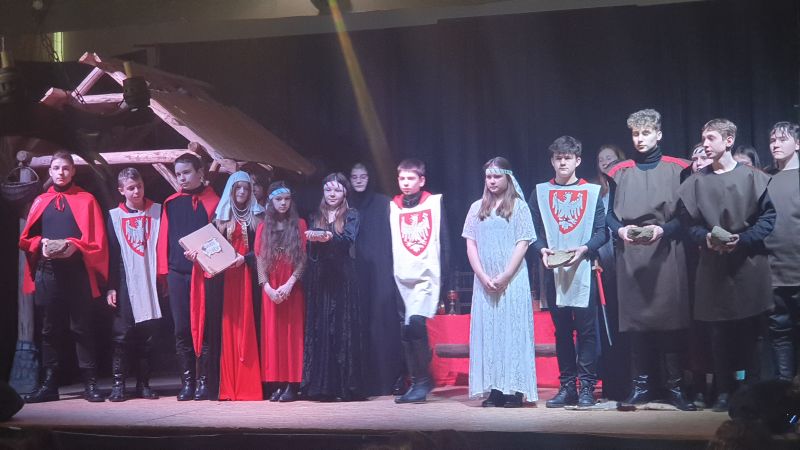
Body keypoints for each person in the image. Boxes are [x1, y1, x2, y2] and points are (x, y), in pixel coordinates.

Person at [677, 118, 775, 412]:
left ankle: (751, 390)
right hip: (713, 265)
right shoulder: (696, 182)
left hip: (748, 263)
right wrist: (706, 238)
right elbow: (688, 223)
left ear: (729, 140)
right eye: (703, 138)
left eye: (711, 138)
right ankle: (723, 390)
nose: (705, 144)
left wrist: (743, 239)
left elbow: (768, 218)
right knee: (718, 332)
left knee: (750, 331)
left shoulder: (753, 177)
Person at [606, 109, 695, 411]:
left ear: (658, 134)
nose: (640, 139)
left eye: (646, 133)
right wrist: (620, 230)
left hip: (665, 251)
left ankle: (675, 387)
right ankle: (641, 386)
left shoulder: (678, 168)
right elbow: (608, 214)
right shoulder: (619, 172)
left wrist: (663, 230)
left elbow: (686, 215)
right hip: (631, 254)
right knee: (636, 323)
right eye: (635, 134)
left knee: (670, 322)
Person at [19, 150, 108, 403]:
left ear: (73, 171)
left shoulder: (86, 199)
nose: (61, 173)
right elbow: (26, 239)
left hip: (76, 272)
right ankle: (49, 385)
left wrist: (75, 246)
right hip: (48, 273)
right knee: (49, 330)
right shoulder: (41, 201)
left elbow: (98, 241)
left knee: (82, 327)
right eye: (57, 168)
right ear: (50, 171)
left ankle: (90, 383)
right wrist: (41, 243)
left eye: (66, 168)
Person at [529, 138, 608, 408]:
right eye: (558, 158)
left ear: (578, 160)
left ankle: (586, 386)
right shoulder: (540, 192)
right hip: (554, 271)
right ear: (552, 161)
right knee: (562, 332)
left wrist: (585, 248)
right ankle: (567, 387)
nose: (563, 162)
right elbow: (532, 231)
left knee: (586, 331)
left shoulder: (592, 192)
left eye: (568, 157)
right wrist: (541, 250)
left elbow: (602, 232)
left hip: (583, 269)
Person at [463, 157, 537, 408]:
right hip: (485, 282)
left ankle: (514, 389)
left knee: (512, 332)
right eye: (488, 177)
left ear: (508, 178)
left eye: (497, 176)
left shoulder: (519, 207)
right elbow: (471, 244)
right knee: (490, 334)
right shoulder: (476, 208)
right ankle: (495, 388)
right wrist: (483, 276)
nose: (492, 181)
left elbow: (523, 243)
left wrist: (505, 275)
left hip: (512, 280)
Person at [156, 153, 220, 401]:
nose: (181, 178)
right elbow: (164, 240)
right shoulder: (171, 203)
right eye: (178, 174)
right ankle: (187, 382)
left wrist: (202, 256)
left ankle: (204, 382)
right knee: (181, 328)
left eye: (186, 172)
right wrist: (164, 274)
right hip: (177, 273)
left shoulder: (214, 202)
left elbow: (218, 241)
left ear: (200, 172)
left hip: (204, 273)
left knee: (205, 327)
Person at [301, 173, 365, 401]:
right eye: (328, 190)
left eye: (337, 190)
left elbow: (348, 240)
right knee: (321, 327)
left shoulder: (351, 214)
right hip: (320, 277)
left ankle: (344, 386)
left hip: (342, 277)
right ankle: (322, 386)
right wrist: (314, 240)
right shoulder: (315, 215)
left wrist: (329, 237)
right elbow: (311, 251)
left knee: (340, 327)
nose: (332, 194)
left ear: (345, 192)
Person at [390, 159, 450, 404]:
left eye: (411, 178)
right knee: (406, 330)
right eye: (402, 178)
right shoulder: (393, 207)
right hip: (402, 276)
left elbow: (443, 241)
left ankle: (422, 382)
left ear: (421, 180)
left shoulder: (433, 203)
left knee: (415, 324)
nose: (406, 183)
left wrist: (445, 280)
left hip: (426, 275)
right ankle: (416, 381)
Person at [105, 168, 164, 402]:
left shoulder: (157, 211)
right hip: (125, 280)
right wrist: (111, 286)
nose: (137, 191)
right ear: (121, 190)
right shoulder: (114, 216)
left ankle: (143, 384)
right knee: (122, 334)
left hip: (150, 279)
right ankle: (118, 385)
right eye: (131, 188)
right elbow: (111, 253)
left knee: (147, 336)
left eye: (139, 186)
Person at [349, 162, 404, 397]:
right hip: (354, 273)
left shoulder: (384, 204)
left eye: (363, 176)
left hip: (382, 271)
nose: (359, 180)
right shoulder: (346, 204)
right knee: (360, 324)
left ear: (369, 178)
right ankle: (362, 380)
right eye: (354, 177)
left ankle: (391, 378)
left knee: (383, 323)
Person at [212, 171, 264, 401]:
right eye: (238, 188)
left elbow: (265, 247)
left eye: (246, 188)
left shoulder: (259, 216)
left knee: (252, 324)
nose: (242, 192)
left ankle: (251, 384)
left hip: (251, 276)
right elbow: (211, 247)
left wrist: (247, 258)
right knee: (228, 326)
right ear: (231, 191)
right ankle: (230, 384)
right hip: (227, 279)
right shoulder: (219, 218)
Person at [255, 181, 307, 402]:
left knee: (291, 335)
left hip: (291, 287)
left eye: (286, 199)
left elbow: (303, 258)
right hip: (272, 287)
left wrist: (290, 284)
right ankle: (277, 382)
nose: (283, 203)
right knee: (273, 335)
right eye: (278, 199)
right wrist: (267, 287)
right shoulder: (263, 227)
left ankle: (292, 384)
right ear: (271, 201)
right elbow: (259, 259)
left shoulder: (300, 224)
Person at [764, 122, 800, 382]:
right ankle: (783, 391)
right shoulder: (764, 178)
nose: (775, 144)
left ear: (797, 144)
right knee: (779, 332)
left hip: (798, 268)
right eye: (772, 140)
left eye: (782, 139)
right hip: (773, 272)